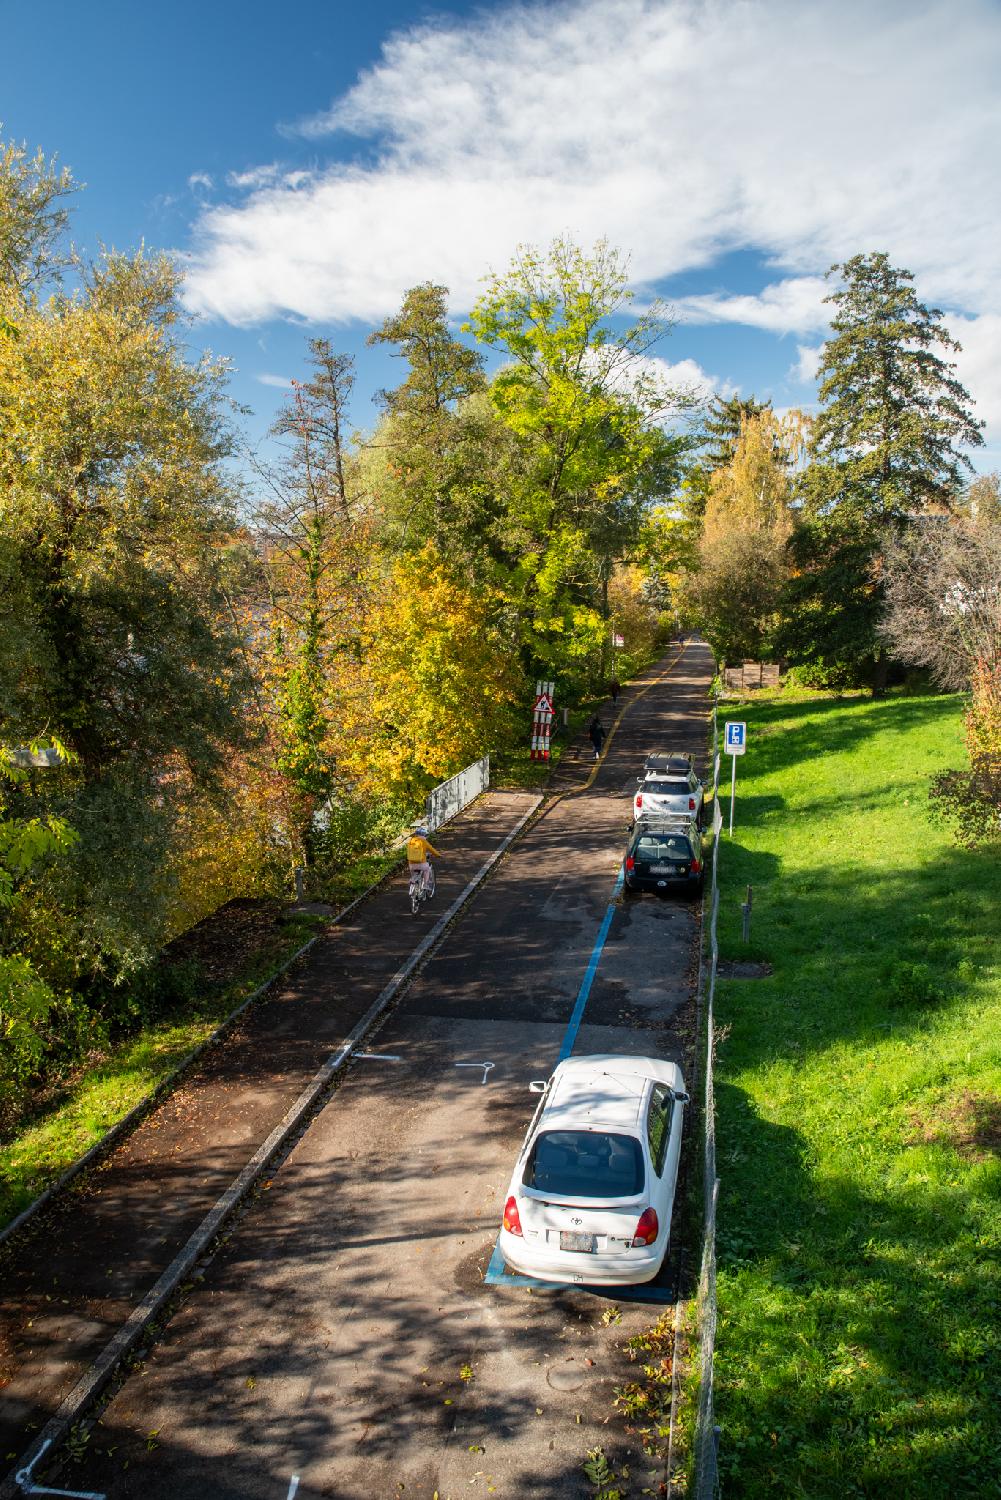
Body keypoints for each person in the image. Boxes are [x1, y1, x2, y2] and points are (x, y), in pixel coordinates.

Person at [406, 824, 440, 899]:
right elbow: (432, 850)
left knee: (414, 875)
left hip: (411, 865)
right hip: (421, 864)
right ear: (424, 834)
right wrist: (438, 855)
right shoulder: (424, 841)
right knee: (427, 869)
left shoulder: (411, 841)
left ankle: (413, 881)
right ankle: (425, 885)